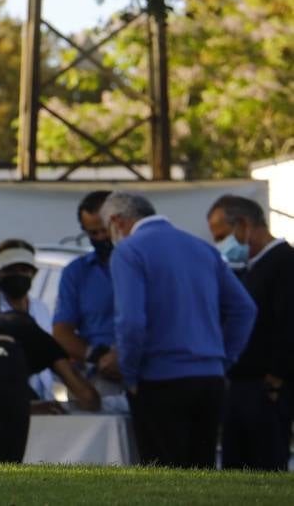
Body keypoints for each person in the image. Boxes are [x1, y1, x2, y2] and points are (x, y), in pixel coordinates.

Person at [101, 191, 256, 468]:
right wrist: (224, 359)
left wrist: (131, 373)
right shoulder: (202, 248)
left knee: (165, 477)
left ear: (117, 221)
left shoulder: (130, 251)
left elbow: (131, 321)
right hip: (209, 378)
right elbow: (245, 309)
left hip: (160, 377)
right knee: (201, 473)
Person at [0, 310, 101, 463]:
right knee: (4, 468)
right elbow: (87, 396)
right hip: (2, 359)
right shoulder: (39, 337)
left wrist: (25, 407)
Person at [209, 195, 294, 471]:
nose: (221, 245)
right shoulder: (249, 268)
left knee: (265, 468)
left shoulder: (285, 262)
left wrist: (275, 379)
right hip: (241, 383)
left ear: (243, 225)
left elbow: (288, 323)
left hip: (266, 386)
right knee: (236, 468)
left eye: (222, 235)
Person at [52, 191, 124, 396]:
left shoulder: (147, 266)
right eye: (93, 233)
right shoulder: (77, 273)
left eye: (104, 231)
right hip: (100, 375)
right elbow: (62, 333)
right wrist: (96, 356)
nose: (101, 238)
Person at [0, 239, 55, 401]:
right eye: (10, 270)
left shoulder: (41, 309)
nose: (17, 275)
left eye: (24, 269)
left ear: (33, 273)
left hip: (44, 399)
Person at [207, 195, 252, 269]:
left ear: (243, 226)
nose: (219, 247)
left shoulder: (275, 264)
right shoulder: (250, 268)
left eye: (221, 238)